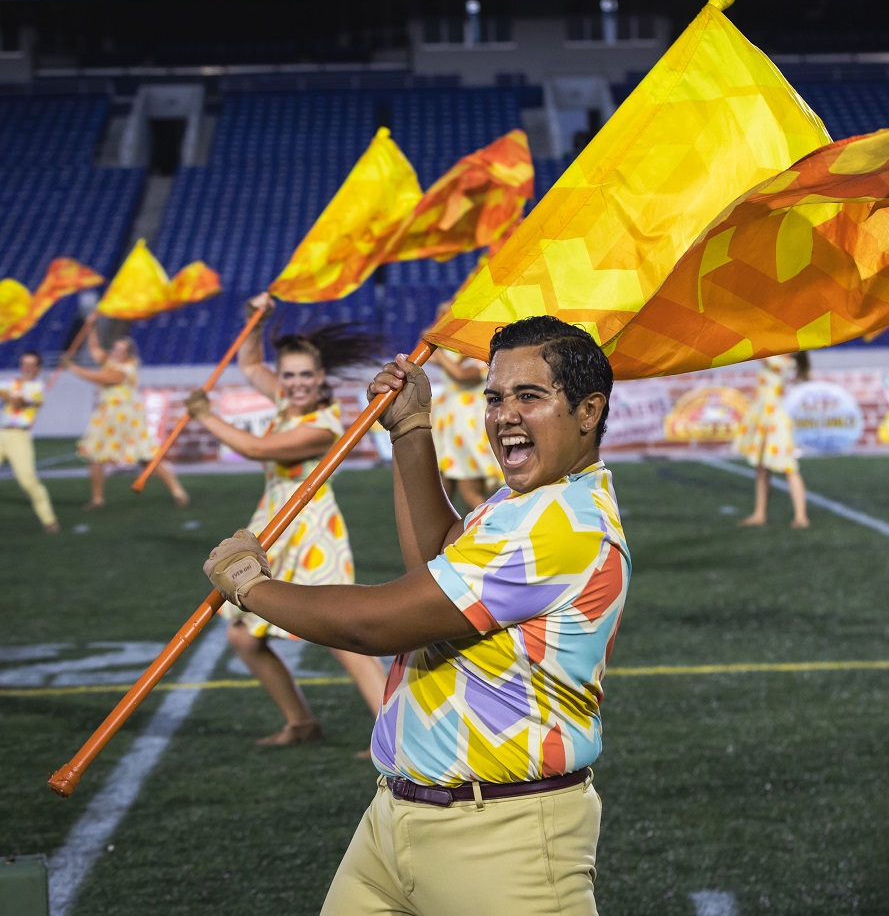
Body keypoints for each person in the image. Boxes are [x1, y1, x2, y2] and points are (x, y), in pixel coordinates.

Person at [203, 315, 631, 915]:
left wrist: (254, 587)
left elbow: (377, 624)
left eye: (529, 396)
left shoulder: (565, 524)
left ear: (589, 411)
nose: (504, 414)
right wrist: (410, 429)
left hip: (504, 842)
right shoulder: (525, 499)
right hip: (397, 820)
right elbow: (434, 557)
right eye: (495, 397)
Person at [185, 292, 388, 745]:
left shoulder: (324, 425)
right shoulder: (285, 400)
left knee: (339, 635)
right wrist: (255, 319)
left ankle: (396, 737)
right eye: (289, 374)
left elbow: (257, 449)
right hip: (274, 526)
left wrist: (205, 416)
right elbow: (252, 364)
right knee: (243, 637)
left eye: (304, 376)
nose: (294, 383)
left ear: (320, 379)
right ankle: (300, 723)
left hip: (313, 529)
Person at [66, 317, 189, 510]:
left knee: (147, 456)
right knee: (96, 456)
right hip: (107, 417)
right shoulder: (111, 362)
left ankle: (177, 491)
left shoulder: (127, 367)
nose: (114, 352)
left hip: (126, 419)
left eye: (119, 350)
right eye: (114, 348)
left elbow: (103, 378)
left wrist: (74, 368)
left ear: (128, 354)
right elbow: (95, 348)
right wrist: (91, 327)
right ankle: (97, 499)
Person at [428, 304, 502, 511]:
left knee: (470, 489)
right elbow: (425, 348)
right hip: (447, 420)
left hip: (468, 422)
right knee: (440, 485)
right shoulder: (453, 349)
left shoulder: (483, 352)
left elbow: (461, 375)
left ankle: (488, 530)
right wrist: (439, 318)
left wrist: (440, 350)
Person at [733, 352, 810, 528]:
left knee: (789, 467)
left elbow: (760, 352)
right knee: (761, 468)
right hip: (763, 417)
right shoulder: (780, 361)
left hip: (774, 421)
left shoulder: (784, 362)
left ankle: (801, 516)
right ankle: (759, 513)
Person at [0, 350, 60, 533]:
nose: (26, 368)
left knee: (28, 481)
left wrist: (7, 395)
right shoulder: (12, 383)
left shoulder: (37, 388)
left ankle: (49, 520)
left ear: (38, 368)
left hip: (19, 436)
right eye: (24, 364)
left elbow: (19, 402)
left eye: (31, 365)